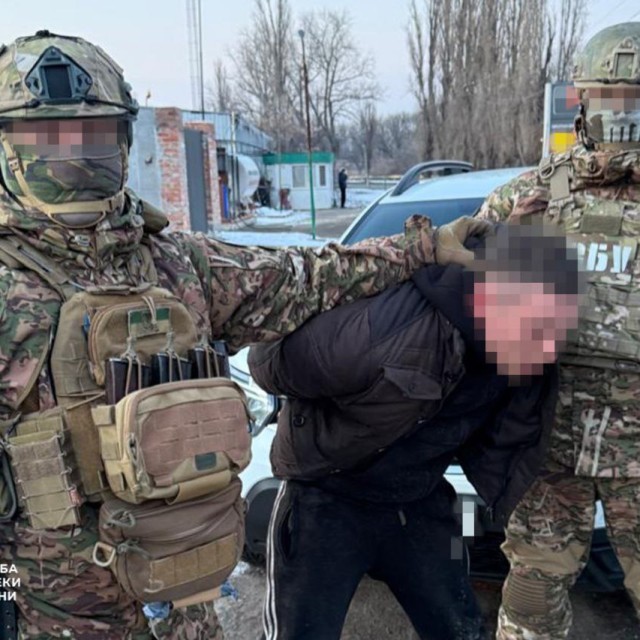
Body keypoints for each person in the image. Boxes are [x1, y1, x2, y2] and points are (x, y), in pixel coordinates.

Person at [0, 31, 489, 640]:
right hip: (58, 613)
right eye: (47, 140)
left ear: (122, 139)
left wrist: (422, 246)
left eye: (92, 135)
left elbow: (307, 276)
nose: (74, 156)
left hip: (183, 595)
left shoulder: (175, 264)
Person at [248, 224, 582, 640]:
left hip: (419, 496)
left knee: (462, 629)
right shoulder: (381, 330)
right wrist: (309, 430)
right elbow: (266, 358)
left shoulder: (528, 356)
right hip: (328, 497)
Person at [475, 21, 640, 639]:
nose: (624, 114)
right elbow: (462, 297)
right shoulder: (535, 195)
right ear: (583, 100)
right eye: (613, 97)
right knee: (532, 597)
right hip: (549, 441)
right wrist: (509, 247)